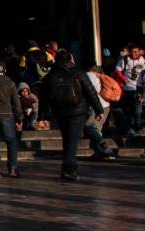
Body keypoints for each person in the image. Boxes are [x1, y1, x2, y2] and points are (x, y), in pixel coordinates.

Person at [40, 49, 103, 181]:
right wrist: (99, 109)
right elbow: (90, 91)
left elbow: (44, 97)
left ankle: (67, 167)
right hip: (78, 111)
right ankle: (69, 167)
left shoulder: (50, 75)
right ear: (70, 59)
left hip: (59, 111)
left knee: (67, 138)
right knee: (72, 140)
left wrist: (43, 116)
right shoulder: (78, 72)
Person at [84, 65, 117, 160]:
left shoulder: (88, 75)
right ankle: (100, 152)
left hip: (95, 106)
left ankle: (105, 148)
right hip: (106, 105)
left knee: (88, 127)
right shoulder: (102, 77)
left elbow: (88, 91)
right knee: (97, 130)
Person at [114, 44, 145, 137]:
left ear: (140, 51)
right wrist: (123, 79)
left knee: (138, 110)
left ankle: (137, 126)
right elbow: (118, 70)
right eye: (132, 51)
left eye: (136, 51)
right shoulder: (124, 59)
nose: (134, 53)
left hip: (139, 88)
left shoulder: (143, 60)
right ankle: (130, 128)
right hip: (127, 88)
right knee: (129, 110)